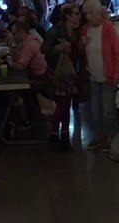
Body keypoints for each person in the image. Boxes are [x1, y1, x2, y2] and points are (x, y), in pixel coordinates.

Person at [81, 0, 119, 152]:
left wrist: (117, 73)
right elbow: (83, 53)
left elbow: (117, 53)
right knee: (95, 109)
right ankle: (99, 136)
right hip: (93, 76)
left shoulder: (109, 29)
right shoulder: (85, 30)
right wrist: (82, 44)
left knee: (108, 109)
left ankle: (111, 137)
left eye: (90, 13)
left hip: (108, 76)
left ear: (98, 13)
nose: (88, 17)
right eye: (86, 13)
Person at [43, 4, 82, 149]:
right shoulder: (57, 31)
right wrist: (58, 48)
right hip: (60, 72)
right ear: (68, 16)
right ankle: (58, 135)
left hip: (69, 71)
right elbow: (44, 49)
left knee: (66, 104)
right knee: (63, 104)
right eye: (76, 14)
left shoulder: (75, 32)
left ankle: (60, 135)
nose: (79, 16)